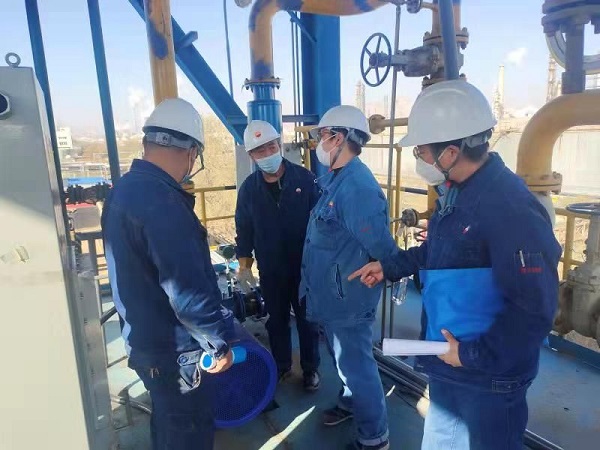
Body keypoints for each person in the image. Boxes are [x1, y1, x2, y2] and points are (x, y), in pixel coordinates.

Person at [350, 80, 562, 450]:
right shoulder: (459, 192)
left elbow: (535, 309)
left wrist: (469, 355)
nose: (419, 158)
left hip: (487, 377)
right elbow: (440, 252)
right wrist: (389, 266)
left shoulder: (510, 209)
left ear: (450, 152)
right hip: (450, 364)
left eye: (421, 150)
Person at [102, 98, 235, 450]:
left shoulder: (123, 191)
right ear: (190, 152)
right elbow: (187, 293)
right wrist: (218, 344)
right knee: (188, 430)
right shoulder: (163, 202)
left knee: (167, 423)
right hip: (174, 351)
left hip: (145, 341)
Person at [300, 105, 399, 450]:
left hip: (348, 299)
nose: (318, 143)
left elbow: (382, 247)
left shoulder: (356, 187)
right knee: (344, 361)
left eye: (322, 136)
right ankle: (350, 402)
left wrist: (381, 270)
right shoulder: (336, 180)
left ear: (339, 138)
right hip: (332, 296)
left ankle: (374, 438)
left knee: (357, 367)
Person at [234, 120, 321, 390]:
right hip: (271, 268)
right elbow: (243, 228)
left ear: (279, 145)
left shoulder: (305, 179)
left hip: (305, 266)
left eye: (271, 147)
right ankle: (281, 366)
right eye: (260, 150)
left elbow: (322, 223)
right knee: (277, 320)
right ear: (251, 156)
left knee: (308, 321)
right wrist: (244, 263)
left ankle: (310, 369)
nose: (268, 153)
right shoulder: (249, 189)